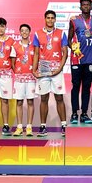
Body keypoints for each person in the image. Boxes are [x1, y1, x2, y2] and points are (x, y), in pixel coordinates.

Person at [32, 9, 68, 137]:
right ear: (45, 19)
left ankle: (64, 125)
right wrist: (33, 69)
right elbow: (36, 53)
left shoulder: (61, 33)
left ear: (55, 19)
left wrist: (59, 68)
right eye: (48, 18)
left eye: (52, 18)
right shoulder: (37, 34)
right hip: (43, 69)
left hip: (56, 69)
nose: (50, 20)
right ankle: (43, 127)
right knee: (44, 98)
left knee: (59, 98)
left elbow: (65, 53)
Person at [70, 0, 92, 124]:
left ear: (91, 6)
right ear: (80, 7)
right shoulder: (74, 21)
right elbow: (69, 39)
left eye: (88, 5)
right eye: (84, 5)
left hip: (91, 60)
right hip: (77, 60)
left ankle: (85, 113)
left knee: (86, 87)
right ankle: (75, 113)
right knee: (75, 86)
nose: (86, 7)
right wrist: (74, 48)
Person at [11, 24, 36, 136]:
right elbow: (12, 63)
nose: (24, 32)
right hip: (19, 78)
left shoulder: (34, 46)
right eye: (22, 31)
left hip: (31, 78)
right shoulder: (15, 46)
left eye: (26, 30)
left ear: (29, 32)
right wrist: (18, 73)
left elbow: (37, 60)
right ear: (20, 33)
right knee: (19, 102)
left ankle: (29, 127)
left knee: (30, 101)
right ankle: (20, 127)